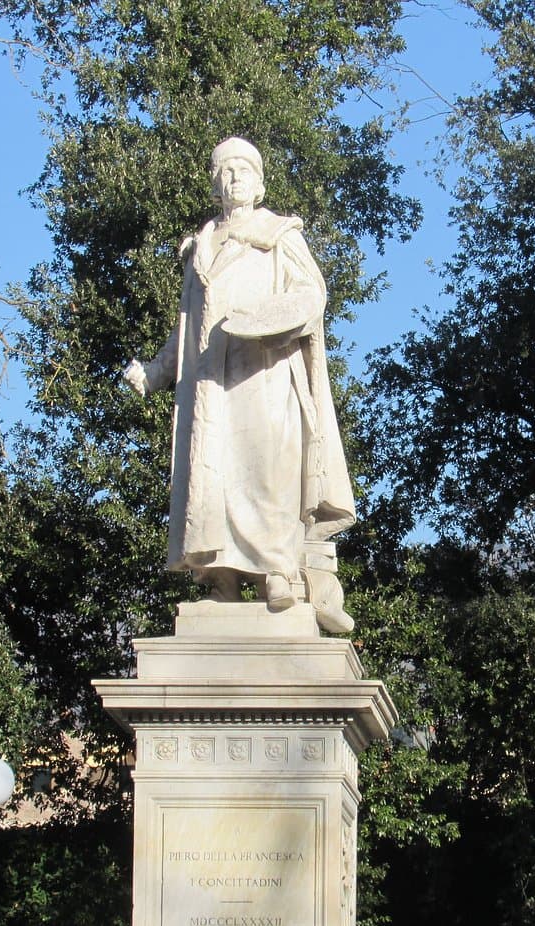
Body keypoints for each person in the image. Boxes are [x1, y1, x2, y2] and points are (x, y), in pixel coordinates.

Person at [124, 137, 355, 632]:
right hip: (211, 385)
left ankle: (276, 569)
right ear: (215, 184)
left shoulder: (280, 235)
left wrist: (266, 320)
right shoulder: (200, 248)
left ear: (259, 182)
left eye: (243, 171)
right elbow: (187, 327)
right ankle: (221, 579)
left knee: (265, 470)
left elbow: (311, 295)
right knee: (215, 478)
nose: (234, 180)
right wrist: (157, 371)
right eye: (225, 172)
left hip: (265, 372)